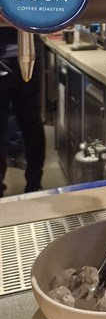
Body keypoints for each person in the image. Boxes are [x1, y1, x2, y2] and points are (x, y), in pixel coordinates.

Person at [0, 26, 46, 196]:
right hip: (26, 53)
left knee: (31, 124)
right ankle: (34, 183)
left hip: (28, 54)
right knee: (32, 124)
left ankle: (34, 182)